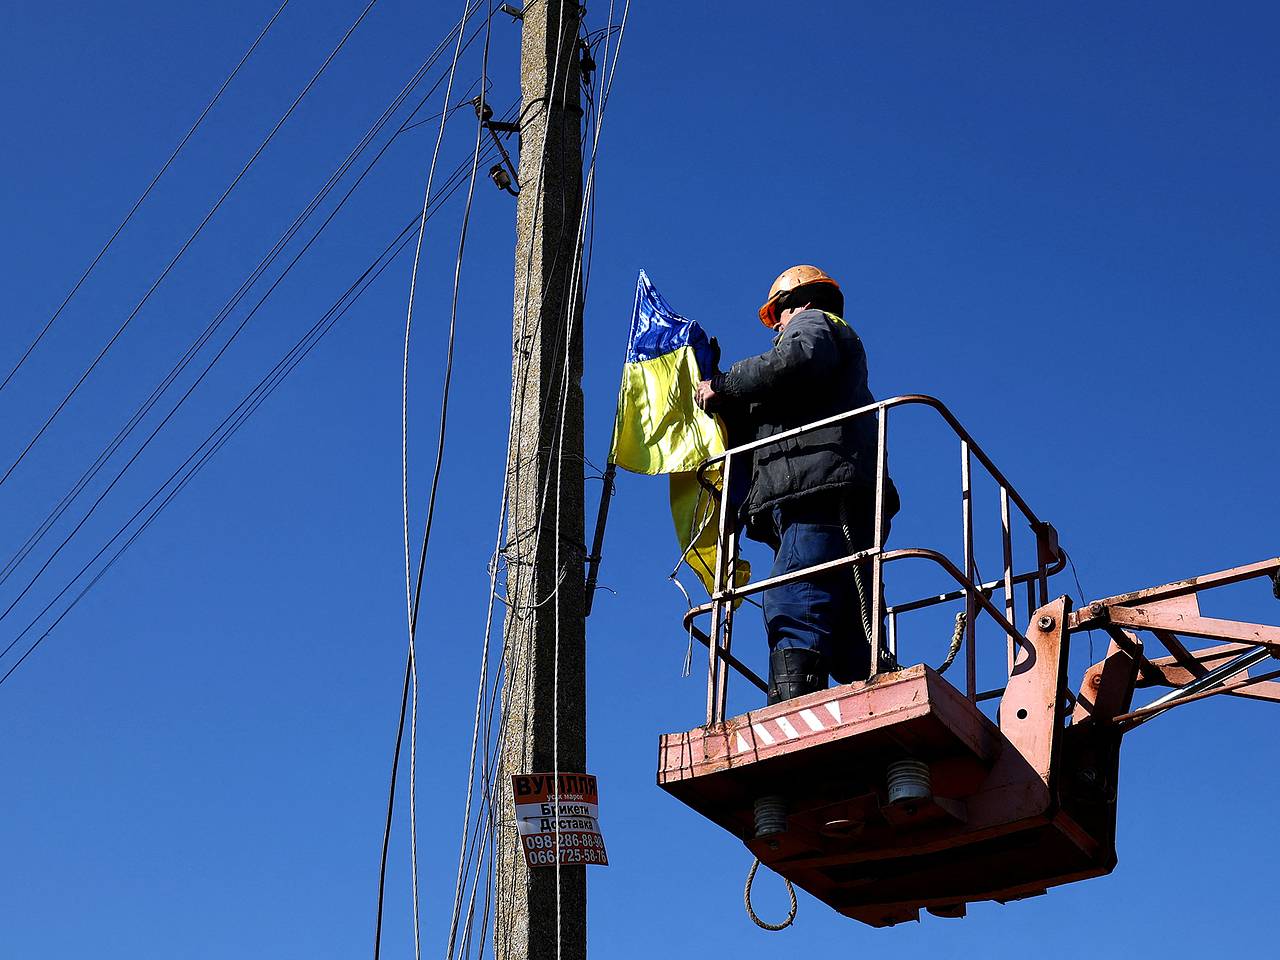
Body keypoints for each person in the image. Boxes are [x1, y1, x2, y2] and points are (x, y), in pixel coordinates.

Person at [695, 265, 899, 704]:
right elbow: (770, 414)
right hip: (838, 490)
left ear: (798, 302)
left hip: (821, 492)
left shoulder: (813, 324)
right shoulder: (821, 372)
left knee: (796, 596)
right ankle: (874, 688)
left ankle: (791, 705)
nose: (778, 328)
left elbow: (794, 360)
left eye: (779, 315)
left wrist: (724, 383)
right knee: (848, 620)